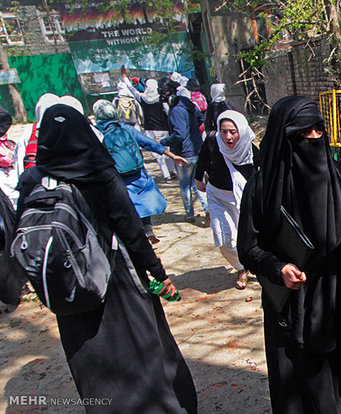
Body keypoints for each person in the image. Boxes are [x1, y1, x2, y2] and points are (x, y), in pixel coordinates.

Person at [16, 103, 197, 413]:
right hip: (117, 285)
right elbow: (131, 232)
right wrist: (158, 273)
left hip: (69, 289)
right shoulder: (99, 172)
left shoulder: (33, 179)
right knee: (144, 357)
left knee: (95, 370)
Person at [238, 96, 341, 414]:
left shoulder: (335, 175)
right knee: (306, 395)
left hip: (339, 300)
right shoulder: (262, 188)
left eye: (319, 130)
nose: (314, 139)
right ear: (285, 137)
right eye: (305, 134)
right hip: (294, 308)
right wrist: (278, 268)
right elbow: (248, 248)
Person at [93, 99, 187, 243]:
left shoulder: (97, 133)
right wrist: (172, 156)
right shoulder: (126, 128)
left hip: (115, 177)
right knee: (142, 202)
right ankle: (148, 228)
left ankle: (135, 234)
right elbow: (149, 143)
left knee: (126, 206)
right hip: (136, 173)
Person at [195, 110, 259, 290]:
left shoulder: (250, 150)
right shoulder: (212, 142)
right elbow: (202, 159)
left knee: (247, 235)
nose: (228, 137)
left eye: (233, 131)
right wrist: (198, 179)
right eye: (224, 131)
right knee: (223, 237)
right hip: (217, 196)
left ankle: (254, 264)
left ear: (241, 130)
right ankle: (240, 268)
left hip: (243, 198)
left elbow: (263, 172)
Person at [160, 86, 208, 223]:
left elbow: (179, 135)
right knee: (197, 181)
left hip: (183, 154)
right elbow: (201, 119)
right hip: (197, 150)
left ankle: (189, 214)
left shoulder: (176, 111)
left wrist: (163, 141)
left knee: (185, 185)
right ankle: (207, 208)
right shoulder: (192, 108)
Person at [121, 68, 177, 183]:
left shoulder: (142, 98)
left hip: (150, 129)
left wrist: (125, 77)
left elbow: (132, 89)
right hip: (163, 128)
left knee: (158, 154)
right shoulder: (162, 99)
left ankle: (166, 175)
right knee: (167, 150)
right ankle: (171, 171)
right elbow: (168, 113)